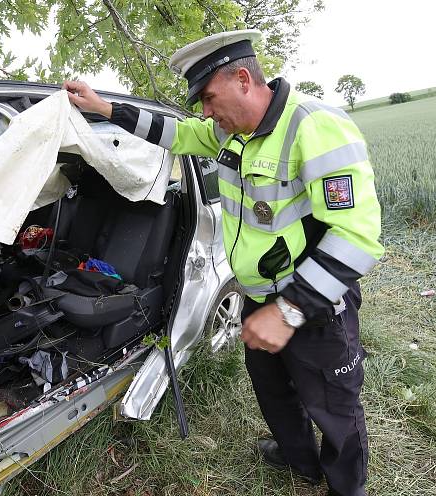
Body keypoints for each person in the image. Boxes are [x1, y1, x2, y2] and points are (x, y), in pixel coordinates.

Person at [63, 29, 383, 496]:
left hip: (311, 306)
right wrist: (105, 109)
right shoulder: (231, 132)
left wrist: (289, 310)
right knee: (274, 391)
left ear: (243, 79)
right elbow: (175, 132)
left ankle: (344, 485)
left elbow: (357, 235)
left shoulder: (314, 126)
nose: (206, 112)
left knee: (333, 406)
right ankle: (299, 461)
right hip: (257, 295)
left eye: (210, 98)